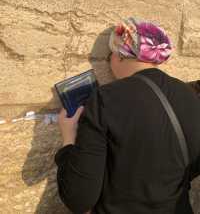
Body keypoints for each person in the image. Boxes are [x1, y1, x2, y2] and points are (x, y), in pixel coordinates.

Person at [55, 17, 200, 214]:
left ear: (120, 55)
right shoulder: (190, 95)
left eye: (109, 55)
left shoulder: (106, 97)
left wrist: (68, 137)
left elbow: (79, 198)